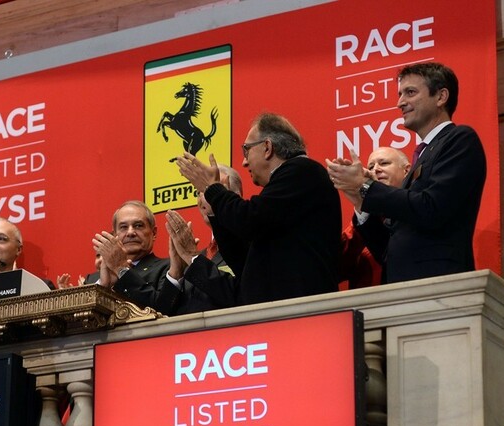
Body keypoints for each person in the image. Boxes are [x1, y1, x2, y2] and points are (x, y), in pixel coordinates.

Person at [326, 62, 486, 283]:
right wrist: (360, 201)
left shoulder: (459, 139)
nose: (400, 102)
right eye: (400, 94)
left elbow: (431, 208)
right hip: (404, 287)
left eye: (410, 92)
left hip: (440, 283)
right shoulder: (424, 154)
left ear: (441, 97)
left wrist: (366, 186)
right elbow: (387, 250)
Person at [176, 112, 342, 305]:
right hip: (276, 311)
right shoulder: (284, 189)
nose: (244, 162)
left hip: (303, 309)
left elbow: (249, 220)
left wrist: (212, 189)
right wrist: (215, 212)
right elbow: (243, 262)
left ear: (267, 147)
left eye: (246, 150)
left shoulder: (302, 171)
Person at [161, 164, 242, 313]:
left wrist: (191, 256)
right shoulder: (195, 258)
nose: (204, 197)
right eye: (199, 191)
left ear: (235, 197)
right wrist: (176, 273)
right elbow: (162, 313)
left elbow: (240, 295)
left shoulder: (251, 245)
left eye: (211, 188)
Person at [339, 147, 410, 288]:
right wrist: (360, 203)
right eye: (371, 166)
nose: (376, 169)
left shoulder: (419, 209)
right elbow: (338, 265)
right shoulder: (363, 218)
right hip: (367, 299)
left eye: (384, 163)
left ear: (406, 170)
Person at [92, 201, 171, 312]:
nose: (130, 232)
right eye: (123, 227)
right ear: (115, 235)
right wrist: (104, 288)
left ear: (153, 233)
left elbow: (162, 309)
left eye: (138, 226)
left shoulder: (169, 268)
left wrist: (121, 269)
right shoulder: (93, 280)